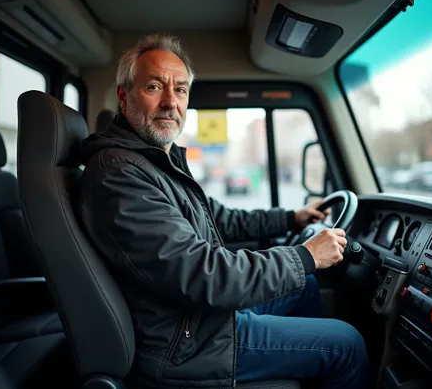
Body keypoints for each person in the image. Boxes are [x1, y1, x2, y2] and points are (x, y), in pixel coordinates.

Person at [78, 34, 371, 389]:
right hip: (184, 348)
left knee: (304, 287)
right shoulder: (120, 173)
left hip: (196, 321)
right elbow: (203, 274)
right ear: (124, 97)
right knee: (347, 344)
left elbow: (221, 218)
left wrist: (292, 219)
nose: (171, 102)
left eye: (181, 90)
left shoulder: (154, 163)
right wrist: (305, 255)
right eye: (155, 86)